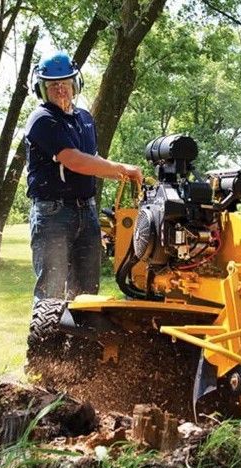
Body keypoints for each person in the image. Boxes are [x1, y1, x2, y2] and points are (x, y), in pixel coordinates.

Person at [24, 51, 143, 303]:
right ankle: (45, 342)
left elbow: (93, 158)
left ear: (75, 84)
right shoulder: (42, 120)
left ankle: (80, 342)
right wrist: (122, 168)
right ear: (42, 90)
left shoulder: (85, 119)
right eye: (53, 85)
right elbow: (74, 160)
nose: (60, 90)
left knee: (87, 289)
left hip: (86, 211)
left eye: (65, 83)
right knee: (51, 290)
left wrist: (119, 174)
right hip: (52, 213)